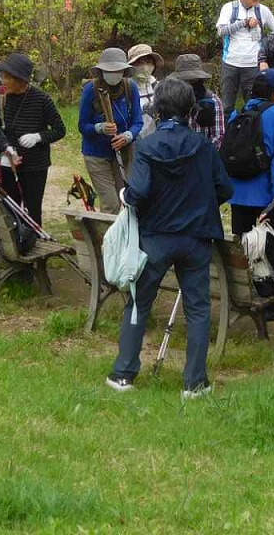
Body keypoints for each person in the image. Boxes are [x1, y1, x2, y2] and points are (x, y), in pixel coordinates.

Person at [107, 78, 233, 397]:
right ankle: (194, 383)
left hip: (156, 238)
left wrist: (125, 194)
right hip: (196, 238)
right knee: (198, 309)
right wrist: (199, 203)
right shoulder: (203, 146)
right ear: (191, 110)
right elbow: (225, 189)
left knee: (139, 304)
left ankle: (123, 375)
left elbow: (139, 192)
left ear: (159, 111)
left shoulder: (147, 146)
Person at [228, 69, 274, 315]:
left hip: (238, 194)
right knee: (272, 249)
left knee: (244, 249)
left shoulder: (237, 114)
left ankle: (242, 299)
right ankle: (271, 308)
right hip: (269, 197)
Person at [0, 53, 67, 229]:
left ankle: (35, 245)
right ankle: (15, 246)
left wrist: (38, 137)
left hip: (35, 165)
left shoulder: (42, 99)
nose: (3, 80)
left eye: (8, 77)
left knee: (32, 209)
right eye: (3, 75)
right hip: (8, 161)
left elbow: (60, 130)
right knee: (10, 207)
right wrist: (7, 148)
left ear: (22, 80)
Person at [78, 48, 144, 212]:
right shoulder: (90, 91)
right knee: (111, 204)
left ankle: (123, 236)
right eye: (109, 70)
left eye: (117, 70)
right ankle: (107, 237)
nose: (113, 73)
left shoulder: (131, 88)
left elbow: (137, 121)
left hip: (122, 153)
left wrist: (128, 136)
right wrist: (99, 128)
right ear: (102, 71)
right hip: (96, 155)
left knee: (124, 200)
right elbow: (82, 126)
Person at [215, 0, 274, 112]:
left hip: (253, 65)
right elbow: (221, 31)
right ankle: (227, 131)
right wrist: (243, 22)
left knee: (253, 104)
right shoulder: (229, 8)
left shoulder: (263, 10)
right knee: (227, 105)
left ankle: (250, 131)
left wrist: (267, 55)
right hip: (231, 63)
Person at [169, 54, 225, 148]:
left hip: (204, 153)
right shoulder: (171, 100)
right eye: (185, 81)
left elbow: (218, 136)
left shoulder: (213, 100)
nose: (189, 85)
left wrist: (200, 154)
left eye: (192, 81)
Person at [127, 43, 162, 137]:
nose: (145, 66)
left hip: (157, 140)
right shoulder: (125, 88)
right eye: (139, 62)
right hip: (133, 139)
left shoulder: (158, 87)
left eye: (148, 62)